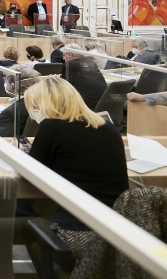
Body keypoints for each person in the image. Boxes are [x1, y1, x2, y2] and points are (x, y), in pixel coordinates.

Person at [23, 76, 128, 251]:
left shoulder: (51, 127)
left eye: (34, 107)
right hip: (116, 228)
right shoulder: (107, 127)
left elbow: (28, 178)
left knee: (24, 217)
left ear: (44, 105)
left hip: (78, 229)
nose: (34, 114)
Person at [61, 43, 107, 111]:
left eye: (64, 55)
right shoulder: (90, 62)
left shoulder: (69, 64)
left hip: (86, 104)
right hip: (102, 101)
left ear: (70, 54)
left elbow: (63, 85)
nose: (63, 58)